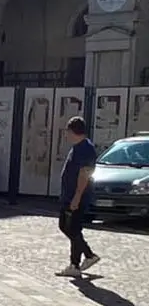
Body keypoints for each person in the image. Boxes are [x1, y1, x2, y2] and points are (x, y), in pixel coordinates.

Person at [55, 116, 100, 278]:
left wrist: (77, 197)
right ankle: (85, 257)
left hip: (77, 196)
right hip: (69, 195)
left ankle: (78, 262)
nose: (65, 135)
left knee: (72, 228)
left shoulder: (86, 148)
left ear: (73, 131)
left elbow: (84, 174)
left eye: (67, 131)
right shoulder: (78, 146)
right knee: (67, 227)